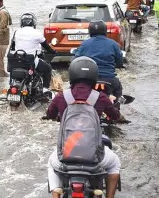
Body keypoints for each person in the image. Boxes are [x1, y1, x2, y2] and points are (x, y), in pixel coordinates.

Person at [44, 57, 121, 198]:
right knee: (115, 162)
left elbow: (50, 113)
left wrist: (53, 116)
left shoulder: (62, 97)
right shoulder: (100, 97)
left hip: (65, 158)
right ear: (94, 76)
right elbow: (115, 116)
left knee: (51, 163)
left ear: (72, 75)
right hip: (94, 159)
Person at [74, 20, 124, 98]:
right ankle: (116, 108)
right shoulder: (113, 44)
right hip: (109, 79)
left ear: (90, 31)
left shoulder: (85, 44)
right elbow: (120, 62)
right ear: (105, 30)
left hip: (90, 80)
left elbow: (75, 61)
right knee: (118, 92)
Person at [9, 13, 56, 92]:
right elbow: (46, 46)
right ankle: (45, 89)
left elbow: (12, 46)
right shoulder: (37, 33)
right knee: (48, 69)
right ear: (33, 22)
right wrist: (53, 52)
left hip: (16, 60)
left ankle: (11, 84)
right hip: (30, 61)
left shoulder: (16, 32)